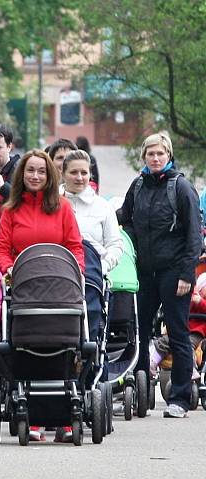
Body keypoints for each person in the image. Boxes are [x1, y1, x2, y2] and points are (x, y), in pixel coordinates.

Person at [0, 149, 84, 443]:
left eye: (41, 171)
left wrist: (76, 273)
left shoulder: (63, 207)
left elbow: (75, 246)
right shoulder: (11, 209)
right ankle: (29, 412)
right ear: (22, 175)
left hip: (59, 288)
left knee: (63, 344)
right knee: (25, 344)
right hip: (25, 287)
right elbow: (2, 249)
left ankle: (65, 414)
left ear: (49, 176)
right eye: (30, 171)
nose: (35, 176)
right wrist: (8, 270)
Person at [119, 133, 201, 418]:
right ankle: (141, 389)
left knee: (177, 332)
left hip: (174, 272)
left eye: (160, 154)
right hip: (144, 272)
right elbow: (124, 217)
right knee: (139, 332)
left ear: (169, 156)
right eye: (150, 154)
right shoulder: (138, 185)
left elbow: (194, 235)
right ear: (144, 157)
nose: (155, 158)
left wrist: (187, 275)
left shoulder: (181, 188)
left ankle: (179, 398)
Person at [61, 150, 123, 273]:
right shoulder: (50, 204)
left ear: (90, 174)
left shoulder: (103, 206)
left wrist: (103, 266)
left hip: (93, 278)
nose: (79, 177)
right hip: (58, 276)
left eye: (84, 173)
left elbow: (115, 245)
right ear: (63, 174)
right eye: (73, 172)